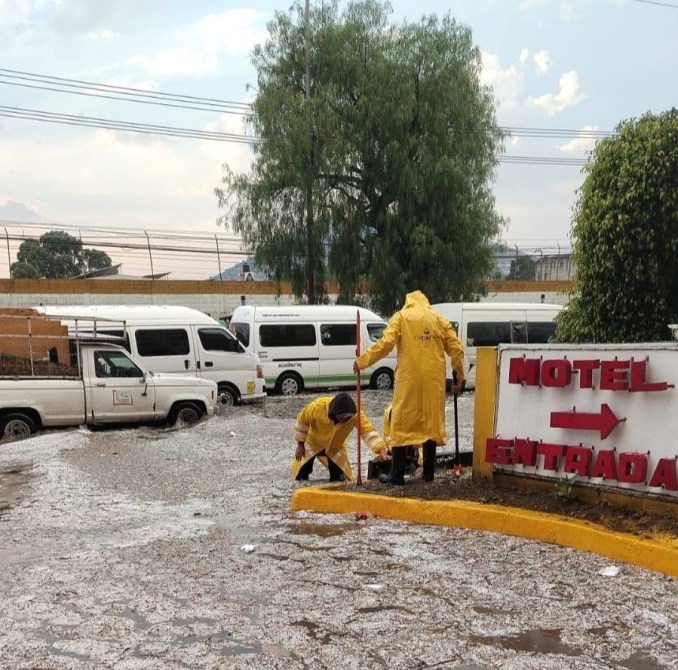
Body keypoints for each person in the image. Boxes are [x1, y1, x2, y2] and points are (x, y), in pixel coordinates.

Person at [353, 290, 465, 485]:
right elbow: (457, 349)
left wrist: (362, 362)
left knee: (400, 423)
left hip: (408, 381)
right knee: (431, 424)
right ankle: (428, 473)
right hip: (433, 382)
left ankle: (397, 475)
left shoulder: (401, 317)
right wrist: (459, 377)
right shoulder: (439, 319)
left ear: (408, 302)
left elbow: (385, 343)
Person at [292, 392, 385, 482]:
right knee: (300, 476)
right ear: (334, 413)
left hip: (335, 448)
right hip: (313, 443)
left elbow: (368, 431)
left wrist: (380, 449)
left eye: (349, 416)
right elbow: (302, 421)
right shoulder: (317, 407)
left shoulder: (356, 415)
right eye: (343, 416)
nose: (346, 419)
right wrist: (300, 444)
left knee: (339, 479)